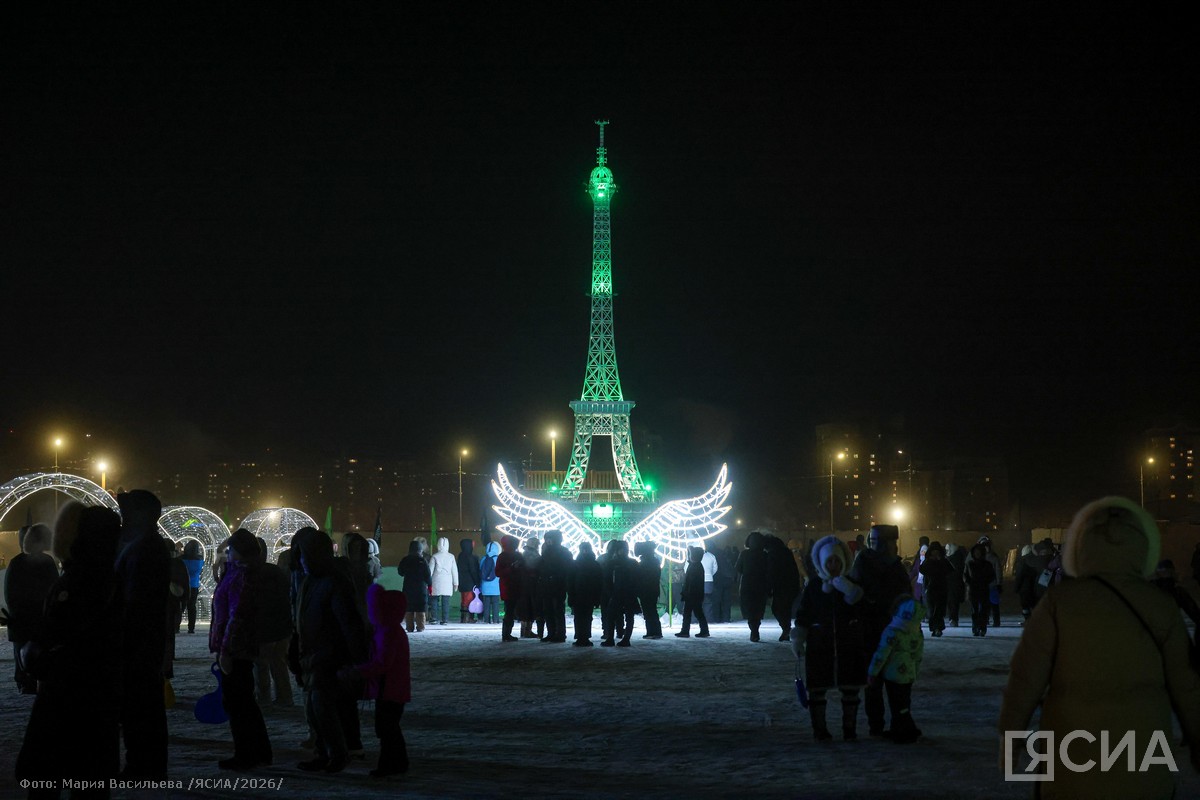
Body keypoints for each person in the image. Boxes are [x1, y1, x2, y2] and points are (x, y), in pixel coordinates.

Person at [1000, 497, 1200, 798]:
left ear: (1080, 546)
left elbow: (1025, 678)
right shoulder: (1159, 605)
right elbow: (1188, 684)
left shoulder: (1058, 602)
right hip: (1143, 739)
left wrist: (1011, 737)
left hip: (1071, 740)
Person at [15, 503, 122, 791]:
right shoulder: (108, 574)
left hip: (68, 691)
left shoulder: (80, 579)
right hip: (95, 692)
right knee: (90, 773)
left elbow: (61, 632)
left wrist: (36, 654)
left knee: (50, 772)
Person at [295, 528, 368, 773]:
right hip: (313, 653)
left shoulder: (335, 581)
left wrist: (357, 659)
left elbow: (349, 622)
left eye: (305, 556)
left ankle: (337, 754)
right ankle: (325, 752)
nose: (302, 561)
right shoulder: (310, 581)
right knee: (317, 709)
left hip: (331, 654)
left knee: (323, 707)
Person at [114, 490, 170, 778]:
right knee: (141, 706)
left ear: (144, 515)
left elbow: (137, 601)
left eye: (128, 511)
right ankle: (144, 762)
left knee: (142, 707)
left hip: (140, 641)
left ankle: (145, 764)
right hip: (140, 640)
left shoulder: (145, 548)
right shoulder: (141, 545)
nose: (123, 516)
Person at [792, 535, 867, 741]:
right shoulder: (815, 588)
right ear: (822, 563)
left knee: (850, 689)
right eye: (829, 561)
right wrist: (798, 638)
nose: (833, 565)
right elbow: (803, 614)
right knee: (817, 690)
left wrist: (851, 593)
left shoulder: (852, 586)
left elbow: (864, 612)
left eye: (836, 561)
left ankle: (849, 729)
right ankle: (819, 729)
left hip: (849, 645)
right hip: (820, 646)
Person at [210, 528, 272, 771]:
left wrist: (226, 650)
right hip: (235, 646)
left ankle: (247, 753)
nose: (228, 553)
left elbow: (238, 616)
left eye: (231, 549)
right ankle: (258, 752)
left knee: (238, 703)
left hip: (237, 648)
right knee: (243, 701)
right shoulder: (236, 572)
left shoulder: (244, 576)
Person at [845, 523, 911, 738]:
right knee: (873, 681)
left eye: (878, 541)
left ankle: (898, 722)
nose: (874, 545)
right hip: (870, 629)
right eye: (872, 541)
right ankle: (876, 725)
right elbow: (855, 592)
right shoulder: (863, 562)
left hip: (893, 630)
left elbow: (905, 596)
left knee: (894, 681)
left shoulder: (896, 567)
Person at [344, 584, 410, 778]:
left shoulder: (388, 632)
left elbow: (382, 663)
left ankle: (390, 764)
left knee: (386, 728)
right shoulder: (391, 630)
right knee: (389, 728)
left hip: (389, 688)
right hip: (393, 688)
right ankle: (398, 762)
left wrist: (358, 672)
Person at [3, 523, 59, 694]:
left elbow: (10, 592)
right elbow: (54, 589)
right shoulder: (47, 562)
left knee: (21, 652)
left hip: (21, 619)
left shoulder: (16, 563)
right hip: (37, 618)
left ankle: (24, 681)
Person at [866, 594, 925, 744]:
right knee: (904, 701)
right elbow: (918, 654)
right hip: (909, 672)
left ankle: (906, 730)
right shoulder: (916, 632)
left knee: (897, 704)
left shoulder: (892, 631)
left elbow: (882, 653)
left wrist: (873, 672)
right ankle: (899, 728)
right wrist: (915, 671)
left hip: (893, 673)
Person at [254, 537, 294, 708]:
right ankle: (284, 696)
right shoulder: (276, 572)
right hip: (282, 624)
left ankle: (264, 697)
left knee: (261, 662)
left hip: (265, 624)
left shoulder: (255, 573)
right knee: (278, 662)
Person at [601, 540, 637, 647]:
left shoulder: (612, 563)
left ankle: (613, 638)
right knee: (623, 617)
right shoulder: (631, 563)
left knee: (614, 616)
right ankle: (621, 638)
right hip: (623, 594)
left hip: (619, 593)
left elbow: (607, 580)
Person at [765, 534, 801, 641]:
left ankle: (786, 629)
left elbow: (772, 572)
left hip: (780, 586)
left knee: (778, 609)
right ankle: (786, 629)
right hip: (790, 585)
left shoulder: (773, 554)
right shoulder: (786, 552)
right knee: (785, 609)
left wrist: (769, 588)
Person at [538, 530, 572, 643]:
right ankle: (551, 633)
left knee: (558, 610)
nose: (548, 541)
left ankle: (560, 634)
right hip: (547, 585)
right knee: (548, 610)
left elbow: (567, 569)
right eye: (547, 539)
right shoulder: (547, 552)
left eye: (550, 538)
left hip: (558, 585)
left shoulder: (563, 552)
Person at [735, 530, 770, 641]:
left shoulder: (744, 554)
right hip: (761, 584)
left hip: (747, 584)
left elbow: (738, 568)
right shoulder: (765, 555)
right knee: (758, 609)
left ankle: (754, 631)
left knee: (749, 609)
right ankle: (755, 629)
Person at [569, 541, 603, 646]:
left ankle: (581, 636)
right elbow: (599, 581)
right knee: (585, 617)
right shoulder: (594, 564)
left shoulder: (576, 564)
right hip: (586, 594)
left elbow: (570, 580)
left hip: (581, 594)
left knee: (582, 617)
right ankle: (583, 637)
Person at [918, 541, 953, 637]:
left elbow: (950, 570)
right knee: (932, 609)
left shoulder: (943, 561)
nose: (935, 553)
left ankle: (938, 628)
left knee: (940, 609)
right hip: (930, 589)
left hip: (942, 588)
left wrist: (940, 560)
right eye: (933, 551)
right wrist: (931, 561)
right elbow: (922, 569)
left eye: (937, 551)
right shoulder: (927, 561)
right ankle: (935, 628)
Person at [675, 546, 711, 638]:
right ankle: (702, 630)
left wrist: (686, 593)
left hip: (692, 594)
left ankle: (686, 631)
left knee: (690, 613)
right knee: (696, 612)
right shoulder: (695, 565)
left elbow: (691, 582)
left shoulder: (695, 566)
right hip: (694, 594)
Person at [397, 540, 432, 633]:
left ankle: (409, 627)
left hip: (408, 588)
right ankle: (420, 626)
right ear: (420, 550)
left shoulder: (405, 560)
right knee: (420, 608)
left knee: (409, 608)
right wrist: (430, 584)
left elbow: (400, 572)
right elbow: (427, 575)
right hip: (420, 588)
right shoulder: (422, 561)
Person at [494, 534, 525, 642]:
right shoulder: (511, 556)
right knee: (510, 611)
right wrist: (512, 568)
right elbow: (498, 572)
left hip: (509, 587)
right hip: (511, 587)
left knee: (509, 611)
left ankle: (506, 634)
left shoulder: (503, 556)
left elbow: (498, 572)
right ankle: (506, 634)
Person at [633, 540, 663, 639]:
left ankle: (652, 632)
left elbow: (641, 577)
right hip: (652, 590)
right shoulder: (654, 561)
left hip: (647, 590)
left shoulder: (645, 562)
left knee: (649, 611)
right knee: (651, 610)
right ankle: (654, 631)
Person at [965, 543, 996, 637]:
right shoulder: (970, 564)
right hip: (973, 589)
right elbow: (965, 575)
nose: (977, 554)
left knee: (983, 610)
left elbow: (992, 575)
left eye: (979, 552)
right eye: (975, 552)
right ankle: (975, 628)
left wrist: (985, 581)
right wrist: (969, 582)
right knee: (974, 610)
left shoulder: (987, 564)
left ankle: (982, 628)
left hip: (983, 589)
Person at [429, 537, 459, 625]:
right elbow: (454, 570)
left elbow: (430, 571)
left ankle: (434, 618)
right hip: (447, 582)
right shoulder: (451, 557)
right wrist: (456, 583)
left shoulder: (434, 556)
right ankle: (445, 619)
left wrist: (428, 581)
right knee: (446, 601)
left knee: (434, 600)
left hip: (436, 581)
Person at [975, 535, 1003, 627]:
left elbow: (998, 571)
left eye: (987, 546)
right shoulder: (977, 558)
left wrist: (999, 583)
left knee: (994, 604)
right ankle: (985, 620)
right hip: (981, 585)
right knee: (982, 604)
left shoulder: (993, 558)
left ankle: (996, 621)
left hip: (991, 585)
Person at [519, 537, 544, 638]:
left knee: (526, 607)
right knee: (529, 607)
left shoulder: (526, 553)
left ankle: (525, 630)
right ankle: (526, 631)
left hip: (525, 584)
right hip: (530, 584)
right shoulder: (531, 555)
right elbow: (533, 566)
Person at [181, 540, 205, 634]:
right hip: (194, 585)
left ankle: (176, 625)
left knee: (180, 606)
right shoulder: (200, 559)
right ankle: (191, 628)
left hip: (183, 584)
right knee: (192, 607)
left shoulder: (181, 559)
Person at [456, 538, 481, 623]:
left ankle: (463, 617)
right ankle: (468, 618)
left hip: (462, 582)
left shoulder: (460, 555)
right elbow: (473, 570)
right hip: (469, 582)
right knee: (469, 600)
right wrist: (477, 581)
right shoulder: (470, 557)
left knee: (463, 600)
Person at [478, 540, 501, 624]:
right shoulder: (497, 559)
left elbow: (480, 570)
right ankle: (495, 620)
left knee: (486, 604)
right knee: (495, 604)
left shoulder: (484, 559)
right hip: (495, 586)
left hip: (485, 585)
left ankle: (486, 620)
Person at [944, 542, 967, 627]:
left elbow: (957, 572)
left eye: (947, 549)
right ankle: (952, 618)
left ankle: (953, 619)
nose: (946, 551)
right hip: (950, 584)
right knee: (951, 602)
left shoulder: (956, 559)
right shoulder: (950, 558)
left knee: (953, 602)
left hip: (954, 584)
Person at [700, 545, 719, 621]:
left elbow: (686, 569)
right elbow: (715, 568)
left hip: (696, 582)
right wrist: (709, 574)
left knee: (695, 601)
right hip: (709, 581)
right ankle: (709, 620)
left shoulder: (692, 556)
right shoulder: (711, 556)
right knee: (707, 602)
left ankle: (695, 621)